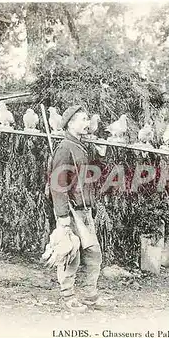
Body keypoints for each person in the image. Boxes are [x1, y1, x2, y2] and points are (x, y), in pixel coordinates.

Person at [48, 105, 107, 313]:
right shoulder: (65, 148)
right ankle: (68, 295)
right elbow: (57, 183)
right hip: (71, 210)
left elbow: (91, 176)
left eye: (87, 119)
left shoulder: (81, 146)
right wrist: (62, 215)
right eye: (83, 119)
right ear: (70, 123)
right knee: (71, 253)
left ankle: (90, 293)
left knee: (94, 253)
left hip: (85, 209)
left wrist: (100, 156)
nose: (87, 123)